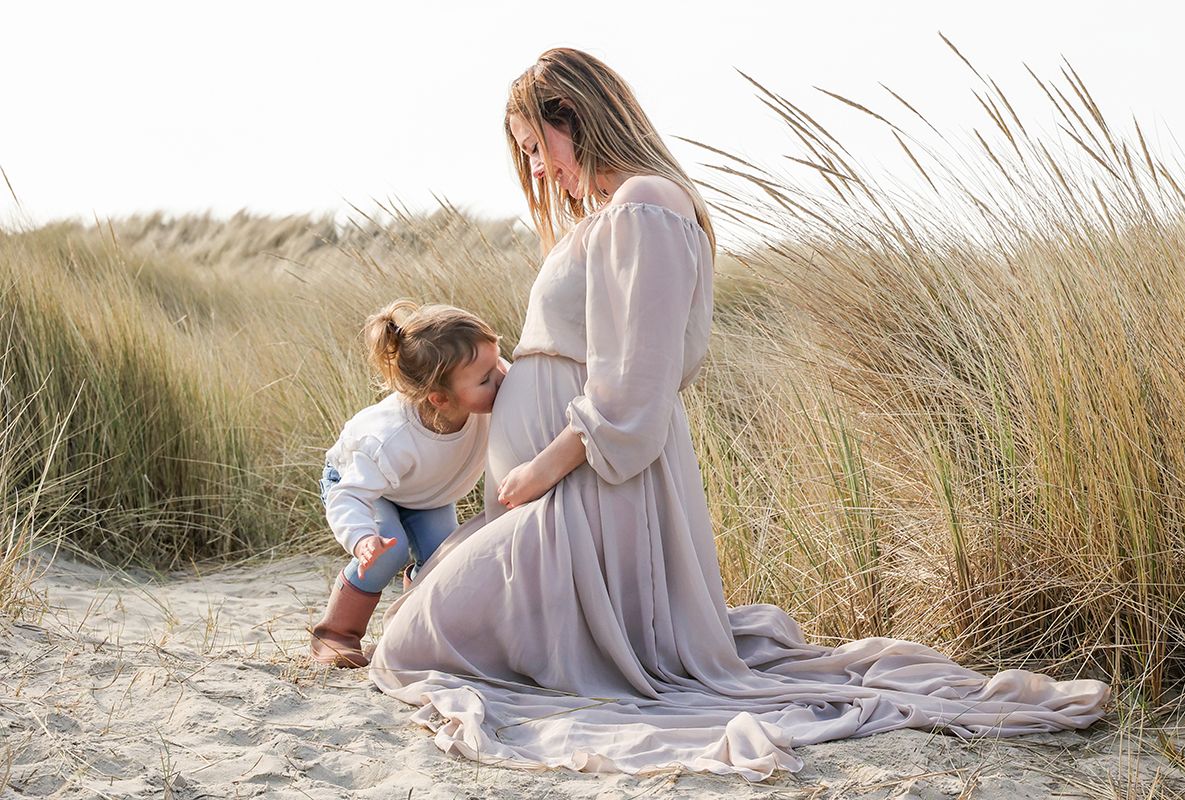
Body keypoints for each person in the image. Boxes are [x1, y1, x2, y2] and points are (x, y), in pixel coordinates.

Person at [368, 48, 1109, 779]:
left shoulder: (645, 204)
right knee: (416, 638)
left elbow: (639, 378)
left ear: (578, 117)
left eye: (539, 146)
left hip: (587, 491)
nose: (536, 169)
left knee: (413, 645)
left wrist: (541, 464)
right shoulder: (624, 210)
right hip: (570, 494)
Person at [310, 299, 507, 668]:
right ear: (440, 398)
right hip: (363, 488)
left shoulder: (490, 391)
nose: (501, 377)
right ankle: (337, 634)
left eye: (497, 363)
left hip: (425, 495)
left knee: (443, 561)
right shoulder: (389, 439)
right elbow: (349, 495)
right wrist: (361, 538)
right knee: (389, 550)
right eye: (486, 379)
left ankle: (409, 630)